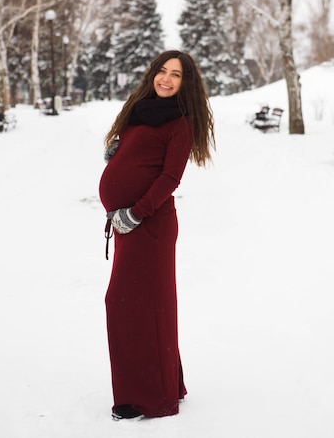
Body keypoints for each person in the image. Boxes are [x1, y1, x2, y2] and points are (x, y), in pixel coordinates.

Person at [99, 50, 215, 421]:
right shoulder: (141, 110)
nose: (166, 79)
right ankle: (166, 384)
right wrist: (117, 153)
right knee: (145, 306)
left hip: (150, 225)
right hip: (131, 224)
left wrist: (136, 213)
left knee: (131, 305)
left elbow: (170, 178)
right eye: (162, 71)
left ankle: (146, 398)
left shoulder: (181, 122)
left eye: (176, 75)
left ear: (186, 83)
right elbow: (138, 156)